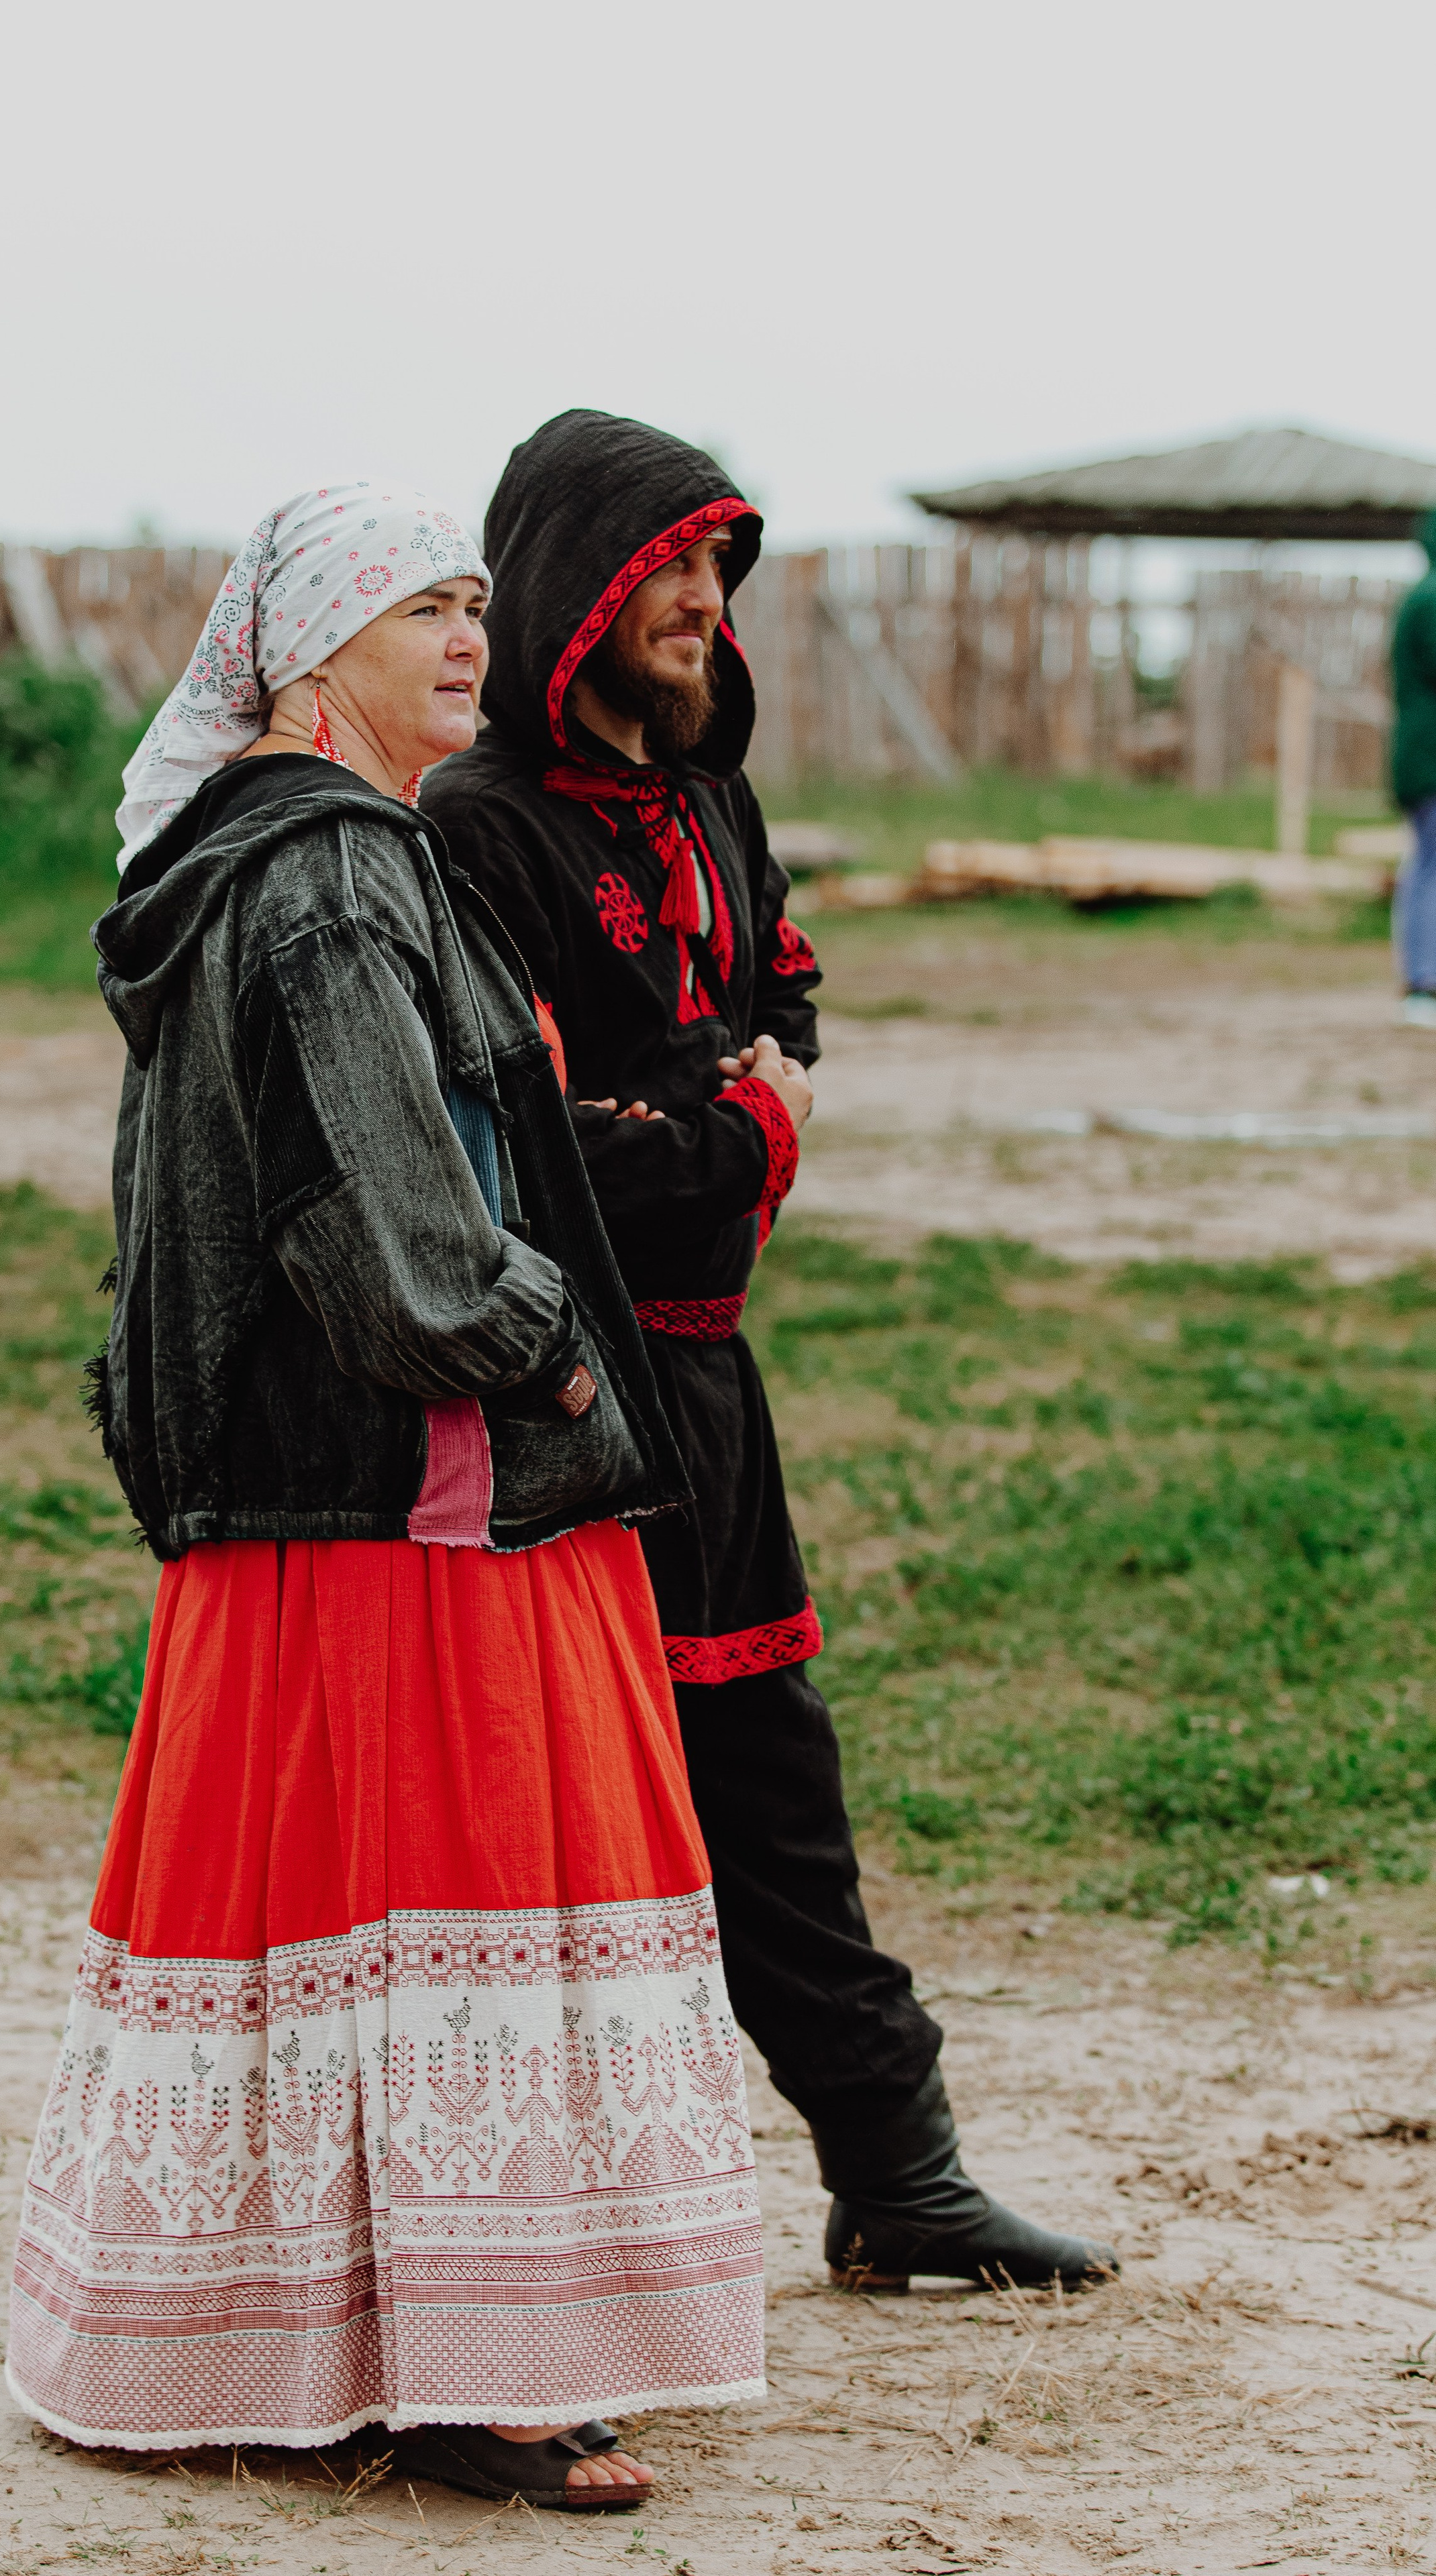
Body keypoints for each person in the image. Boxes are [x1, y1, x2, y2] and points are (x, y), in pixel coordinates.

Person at [4, 482, 766, 2509]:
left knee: (341, 1917)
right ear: (311, 648)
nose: (466, 640)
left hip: (315, 1497)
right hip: (417, 1495)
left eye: (473, 604)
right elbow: (396, 1230)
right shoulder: (335, 872)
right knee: (461, 1905)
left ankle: (325, 2341)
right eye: (420, 605)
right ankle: (478, 2371)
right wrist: (551, 1350)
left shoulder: (265, 853)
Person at [422, 411, 1117, 2294]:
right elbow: (538, 1170)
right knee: (555, 1817)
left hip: (711, 1393)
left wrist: (719, 1104)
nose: (701, 597)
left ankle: (900, 2174)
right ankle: (517, 2235)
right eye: (667, 562)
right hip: (554, 1409)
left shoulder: (713, 805)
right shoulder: (476, 831)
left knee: (774, 1790)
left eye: (718, 565)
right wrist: (736, 1127)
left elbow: (780, 1005)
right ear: (572, 584)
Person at [1392, 510, 1436, 1028]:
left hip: (1422, 756)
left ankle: (1422, 978)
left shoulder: (1421, 596)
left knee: (1425, 863)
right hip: (1430, 759)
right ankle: (1423, 982)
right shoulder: (1431, 600)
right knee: (1431, 866)